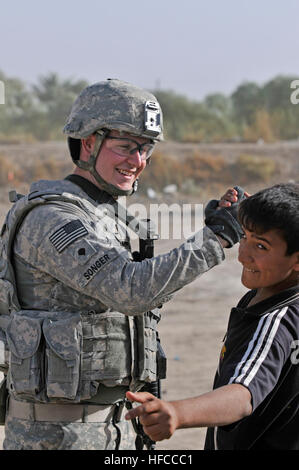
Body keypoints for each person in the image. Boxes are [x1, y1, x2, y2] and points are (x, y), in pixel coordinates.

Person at [0, 79, 245, 450]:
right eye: (125, 147)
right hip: (57, 439)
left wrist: (210, 230)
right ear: (88, 143)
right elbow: (131, 289)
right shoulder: (51, 217)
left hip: (115, 432)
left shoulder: (104, 215)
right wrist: (216, 238)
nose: (138, 161)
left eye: (146, 149)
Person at [125, 183, 299, 450]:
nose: (243, 255)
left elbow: (242, 395)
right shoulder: (282, 299)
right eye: (245, 236)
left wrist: (178, 413)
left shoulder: (273, 322)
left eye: (261, 247)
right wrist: (251, 210)